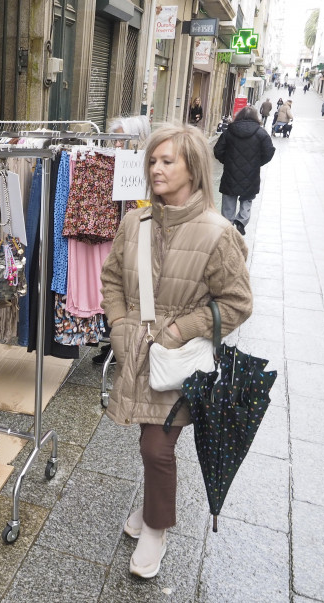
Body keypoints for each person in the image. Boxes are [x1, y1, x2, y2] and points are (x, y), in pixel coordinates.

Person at [99, 124, 252, 579]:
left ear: (194, 167)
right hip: (136, 354)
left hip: (180, 361)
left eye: (168, 161)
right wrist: (119, 325)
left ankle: (156, 528)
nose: (157, 168)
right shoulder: (135, 222)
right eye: (153, 160)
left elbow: (237, 302)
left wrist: (181, 328)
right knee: (149, 441)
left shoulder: (218, 233)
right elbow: (110, 279)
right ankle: (148, 511)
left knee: (157, 448)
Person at [92, 115, 153, 367]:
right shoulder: (112, 163)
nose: (116, 145)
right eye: (114, 139)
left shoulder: (146, 166)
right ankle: (113, 342)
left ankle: (126, 344)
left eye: (121, 139)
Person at [213, 106, 275, 236]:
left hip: (230, 173)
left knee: (229, 199)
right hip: (251, 174)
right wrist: (257, 163)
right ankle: (241, 221)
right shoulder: (261, 133)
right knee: (247, 198)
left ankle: (227, 224)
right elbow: (269, 151)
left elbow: (218, 150)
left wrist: (227, 161)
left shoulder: (230, 131)